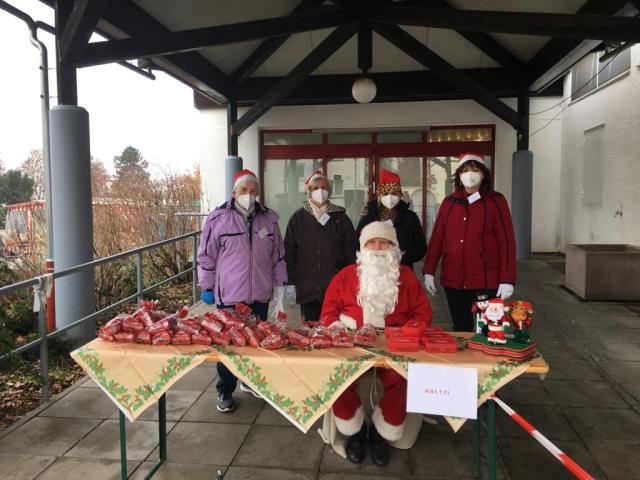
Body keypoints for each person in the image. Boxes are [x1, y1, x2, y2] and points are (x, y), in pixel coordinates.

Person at [320, 221, 432, 467]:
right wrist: (340, 328)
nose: (379, 248)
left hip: (394, 345)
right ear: (363, 248)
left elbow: (422, 314)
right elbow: (327, 313)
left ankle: (383, 432)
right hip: (352, 344)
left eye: (385, 243)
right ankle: (355, 430)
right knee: (336, 373)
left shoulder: (407, 277)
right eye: (373, 243)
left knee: (403, 376)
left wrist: (407, 332)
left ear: (394, 248)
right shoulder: (345, 276)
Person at [198, 168, 287, 412]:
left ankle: (250, 381)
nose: (249, 194)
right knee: (228, 346)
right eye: (244, 190)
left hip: (259, 293)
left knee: (256, 342)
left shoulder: (269, 219)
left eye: (253, 191)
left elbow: (278, 256)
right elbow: (206, 256)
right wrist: (207, 285)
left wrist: (281, 287)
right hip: (230, 295)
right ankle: (225, 390)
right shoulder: (218, 219)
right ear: (234, 192)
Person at [423, 152, 516, 332]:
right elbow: (437, 238)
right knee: (461, 329)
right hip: (454, 279)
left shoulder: (495, 201)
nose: (470, 175)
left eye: (475, 170)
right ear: (459, 175)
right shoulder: (449, 203)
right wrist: (429, 270)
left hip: (486, 280)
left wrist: (507, 278)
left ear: (483, 174)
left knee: (490, 330)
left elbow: (506, 241)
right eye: (465, 170)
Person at [284, 170, 357, 325]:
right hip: (307, 288)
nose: (320, 191)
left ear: (329, 191)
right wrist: (290, 282)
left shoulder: (340, 218)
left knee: (335, 329)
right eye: (316, 188)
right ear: (309, 191)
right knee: (311, 331)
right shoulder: (298, 218)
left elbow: (351, 251)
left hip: (336, 287)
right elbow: (289, 253)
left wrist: (351, 280)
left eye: (324, 187)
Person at [356, 169, 426, 270]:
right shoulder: (369, 217)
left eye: (394, 193)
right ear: (380, 195)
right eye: (385, 194)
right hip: (373, 270)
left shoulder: (410, 217)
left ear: (400, 195)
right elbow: (357, 244)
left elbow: (421, 247)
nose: (389, 197)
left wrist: (401, 257)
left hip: (402, 269)